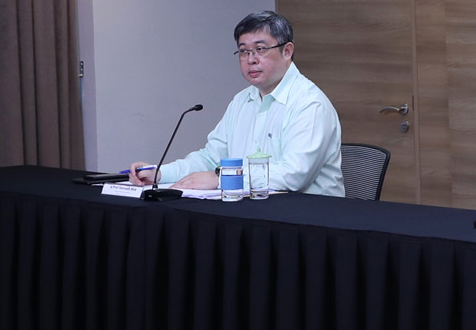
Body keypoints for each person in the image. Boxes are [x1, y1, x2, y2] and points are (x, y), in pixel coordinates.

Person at [130, 11, 344, 196]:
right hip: (254, 212)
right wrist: (160, 173)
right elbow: (211, 158)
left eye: (260, 49)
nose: (251, 59)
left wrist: (221, 178)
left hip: (309, 222)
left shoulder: (310, 104)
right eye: (244, 51)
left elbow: (294, 175)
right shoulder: (242, 100)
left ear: (287, 51)